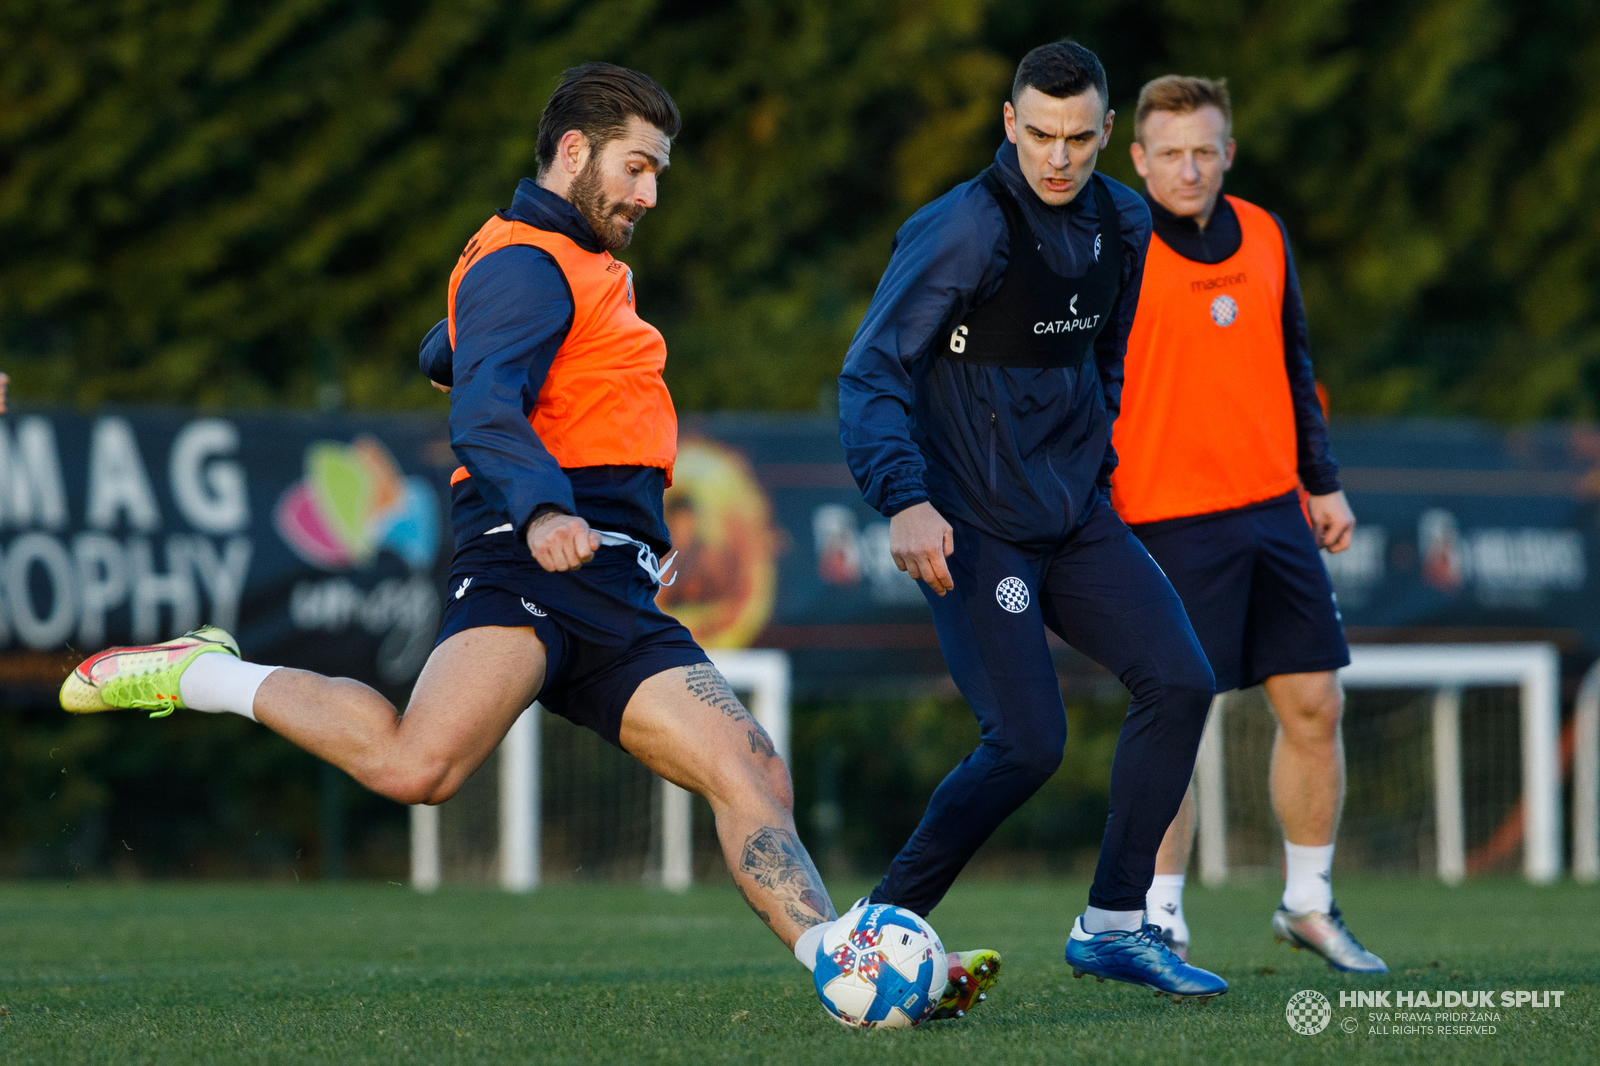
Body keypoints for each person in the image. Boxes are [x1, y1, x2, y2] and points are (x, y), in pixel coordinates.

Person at [58, 62, 988, 1015]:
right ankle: (202, 672)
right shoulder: (524, 259)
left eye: (659, 172)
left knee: (749, 766)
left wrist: (612, 517)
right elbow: (488, 408)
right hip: (529, 559)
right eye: (636, 167)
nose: (650, 193)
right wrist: (544, 511)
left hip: (611, 585)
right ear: (573, 152)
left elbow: (463, 355)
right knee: (420, 767)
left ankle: (841, 960)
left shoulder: (554, 265)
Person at [839, 40, 1227, 1003]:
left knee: (1181, 681)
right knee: (1027, 742)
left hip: (1076, 518)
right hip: (974, 527)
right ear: (1009, 124)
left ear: (1107, 137)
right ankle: (873, 935)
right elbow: (871, 372)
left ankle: (1113, 925)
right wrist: (905, 497)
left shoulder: (1125, 222)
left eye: (1078, 139)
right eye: (1040, 134)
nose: (1058, 158)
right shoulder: (963, 229)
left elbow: (1103, 358)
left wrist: (1093, 464)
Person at [1116, 74, 1385, 972]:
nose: (1189, 168)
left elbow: (1293, 356)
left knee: (1315, 704)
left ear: (1228, 152)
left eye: (1205, 150)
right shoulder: (1111, 246)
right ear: (1139, 159)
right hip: (1161, 518)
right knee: (1175, 719)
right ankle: (1158, 916)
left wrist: (1324, 482)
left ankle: (1306, 902)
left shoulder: (1265, 233)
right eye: (1171, 153)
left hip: (1274, 511)